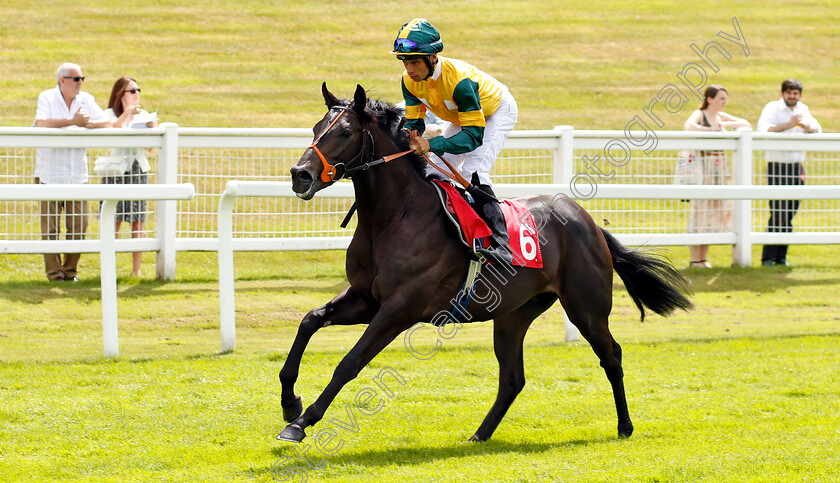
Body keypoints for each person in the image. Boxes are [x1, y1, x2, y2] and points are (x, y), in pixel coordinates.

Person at [391, 18, 519, 265]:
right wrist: (410, 134)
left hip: (496, 111)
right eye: (406, 62)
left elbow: (473, 137)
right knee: (431, 173)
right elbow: (415, 121)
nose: (410, 70)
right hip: (462, 116)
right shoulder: (409, 81)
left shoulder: (460, 82)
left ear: (432, 58)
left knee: (475, 172)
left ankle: (503, 245)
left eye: (415, 62)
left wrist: (432, 145)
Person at [34, 62, 110, 282]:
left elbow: (106, 122)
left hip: (77, 174)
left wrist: (88, 126)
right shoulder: (46, 97)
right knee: (49, 227)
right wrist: (71, 122)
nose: (80, 83)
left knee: (79, 225)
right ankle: (54, 273)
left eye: (82, 78)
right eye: (76, 79)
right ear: (62, 80)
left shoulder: (87, 99)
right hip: (49, 173)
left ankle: (70, 271)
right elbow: (41, 123)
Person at [682, 85, 750, 268]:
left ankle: (703, 259)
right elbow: (688, 126)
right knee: (700, 211)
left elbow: (745, 124)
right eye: (721, 98)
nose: (724, 102)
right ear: (710, 99)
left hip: (719, 168)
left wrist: (725, 125)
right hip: (703, 166)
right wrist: (710, 131)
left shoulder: (720, 117)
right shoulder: (701, 114)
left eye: (725, 98)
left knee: (714, 211)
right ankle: (695, 259)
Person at [757, 79, 821, 267]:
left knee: (791, 211)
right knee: (778, 212)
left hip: (796, 167)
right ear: (783, 93)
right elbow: (765, 130)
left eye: (795, 94)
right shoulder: (772, 108)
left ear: (799, 95)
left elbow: (817, 129)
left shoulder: (803, 109)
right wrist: (789, 124)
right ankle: (768, 257)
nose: (792, 97)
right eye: (789, 93)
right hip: (777, 166)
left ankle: (781, 257)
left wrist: (807, 127)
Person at [101, 76, 157, 278]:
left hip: (137, 168)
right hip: (116, 169)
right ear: (120, 94)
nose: (136, 94)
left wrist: (151, 127)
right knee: (113, 218)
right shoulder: (108, 113)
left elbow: (149, 147)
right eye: (132, 91)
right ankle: (109, 266)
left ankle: (136, 269)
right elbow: (114, 130)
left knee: (137, 220)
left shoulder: (144, 115)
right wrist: (127, 114)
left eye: (138, 90)